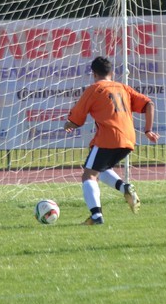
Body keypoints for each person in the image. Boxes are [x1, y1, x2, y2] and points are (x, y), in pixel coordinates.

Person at [63, 56, 158, 225]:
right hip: (128, 139)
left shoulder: (94, 89)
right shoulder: (123, 88)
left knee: (88, 175)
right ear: (112, 73)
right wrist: (148, 130)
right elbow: (149, 104)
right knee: (101, 168)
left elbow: (77, 119)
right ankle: (124, 187)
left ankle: (96, 216)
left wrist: (69, 124)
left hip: (109, 137)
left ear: (94, 74)